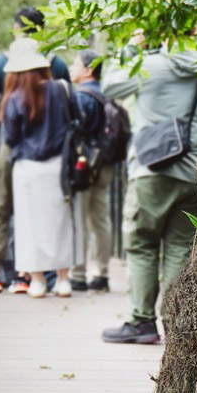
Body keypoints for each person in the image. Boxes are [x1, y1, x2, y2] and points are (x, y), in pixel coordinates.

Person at [100, 45, 197, 344]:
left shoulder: (148, 64)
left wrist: (130, 50)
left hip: (152, 168)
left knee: (142, 243)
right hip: (192, 170)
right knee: (179, 248)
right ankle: (176, 323)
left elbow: (110, 86)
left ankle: (140, 321)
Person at [0, 6, 71, 294]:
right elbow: (70, 112)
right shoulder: (56, 64)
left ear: (16, 28)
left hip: (13, 145)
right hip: (53, 151)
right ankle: (26, 275)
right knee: (43, 211)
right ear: (42, 30)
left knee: (0, 205)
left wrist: (5, 125)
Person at [0, 38, 81, 298]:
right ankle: (63, 279)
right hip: (58, 166)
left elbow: (10, 137)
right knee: (60, 222)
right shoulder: (61, 88)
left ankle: (37, 281)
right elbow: (76, 118)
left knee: (28, 222)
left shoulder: (13, 97)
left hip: (26, 167)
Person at [68, 49, 113, 293]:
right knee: (101, 219)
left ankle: (78, 274)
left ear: (88, 70)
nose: (71, 68)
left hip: (83, 165)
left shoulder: (81, 97)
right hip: (104, 163)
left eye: (75, 64)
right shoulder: (106, 95)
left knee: (80, 218)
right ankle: (102, 274)